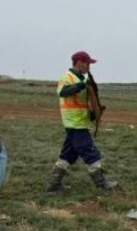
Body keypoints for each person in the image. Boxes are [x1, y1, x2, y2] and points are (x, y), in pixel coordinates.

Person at [47, 51, 118, 193]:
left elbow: (85, 102)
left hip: (79, 123)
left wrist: (93, 113)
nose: (89, 67)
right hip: (75, 124)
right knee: (91, 154)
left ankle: (54, 184)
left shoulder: (83, 79)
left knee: (68, 155)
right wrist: (81, 85)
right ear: (79, 63)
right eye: (88, 64)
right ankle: (102, 185)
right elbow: (62, 92)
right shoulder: (68, 77)